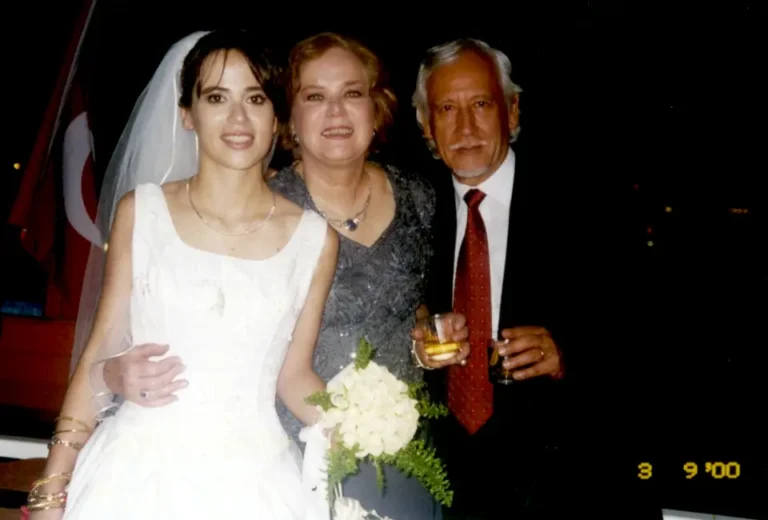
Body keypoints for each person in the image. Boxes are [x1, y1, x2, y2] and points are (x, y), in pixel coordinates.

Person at [99, 32, 469, 520]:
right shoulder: (266, 208)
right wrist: (115, 372)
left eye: (352, 94)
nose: (336, 112)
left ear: (376, 108)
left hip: (395, 447)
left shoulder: (419, 197)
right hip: (287, 452)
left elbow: (412, 306)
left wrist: (427, 343)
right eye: (315, 97)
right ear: (287, 118)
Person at [26, 30, 338, 520]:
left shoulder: (315, 239)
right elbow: (101, 349)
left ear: (276, 117)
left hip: (255, 482)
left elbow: (293, 376)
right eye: (217, 98)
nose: (238, 118)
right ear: (188, 114)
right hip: (135, 473)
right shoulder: (143, 212)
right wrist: (51, 488)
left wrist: (361, 422)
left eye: (255, 98)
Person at [410, 38, 574, 519]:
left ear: (512, 110)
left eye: (481, 104)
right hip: (449, 491)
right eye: (446, 108)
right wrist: (417, 346)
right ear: (425, 124)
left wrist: (564, 355)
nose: (465, 127)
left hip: (566, 486)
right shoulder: (413, 212)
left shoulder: (581, 201)